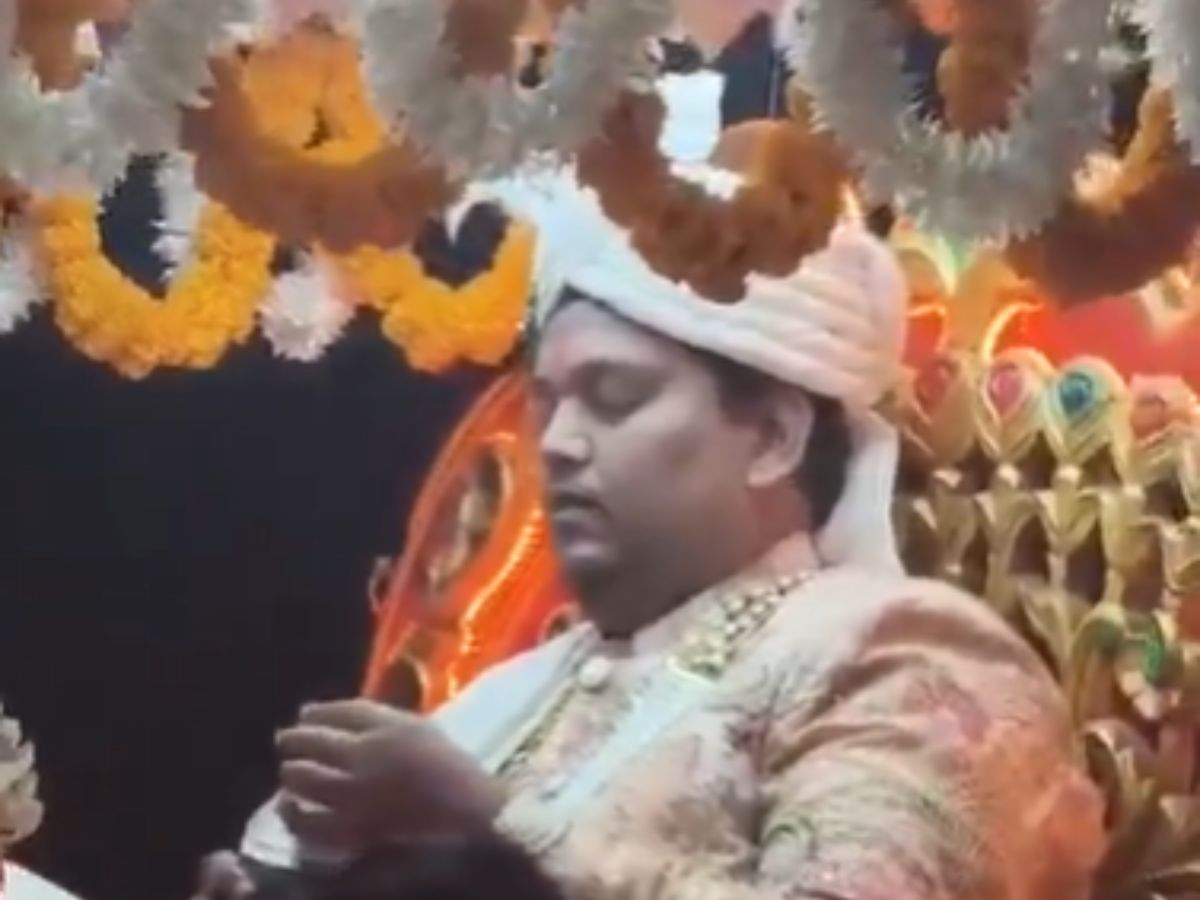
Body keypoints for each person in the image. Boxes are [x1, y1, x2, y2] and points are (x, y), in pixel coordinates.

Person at [197, 168, 1106, 900]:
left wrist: (489, 819)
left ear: (772, 437)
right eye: (547, 404)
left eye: (615, 397)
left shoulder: (903, 654)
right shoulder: (530, 684)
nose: (558, 443)